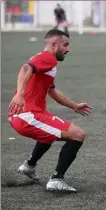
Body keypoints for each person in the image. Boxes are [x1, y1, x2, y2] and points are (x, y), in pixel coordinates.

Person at [8, 29, 92, 192]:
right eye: (65, 45)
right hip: (27, 116)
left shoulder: (46, 63)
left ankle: (29, 166)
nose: (68, 49)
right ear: (54, 45)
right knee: (77, 134)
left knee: (51, 134)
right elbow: (25, 68)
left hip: (27, 115)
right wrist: (20, 94)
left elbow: (52, 90)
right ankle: (56, 179)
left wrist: (74, 105)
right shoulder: (48, 58)